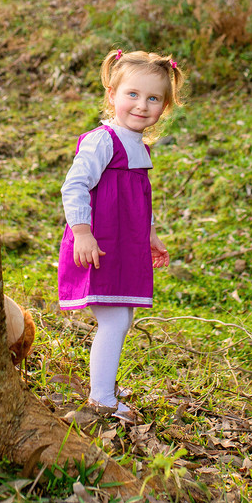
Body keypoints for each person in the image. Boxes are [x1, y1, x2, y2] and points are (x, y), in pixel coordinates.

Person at [58, 49, 185, 422]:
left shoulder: (138, 145)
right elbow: (74, 185)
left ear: (164, 106)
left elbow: (137, 197)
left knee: (122, 318)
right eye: (132, 94)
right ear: (112, 94)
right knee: (113, 321)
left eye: (153, 98)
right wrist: (82, 231)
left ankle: (105, 383)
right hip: (99, 244)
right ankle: (101, 399)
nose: (142, 105)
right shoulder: (103, 140)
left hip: (124, 243)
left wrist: (150, 233)